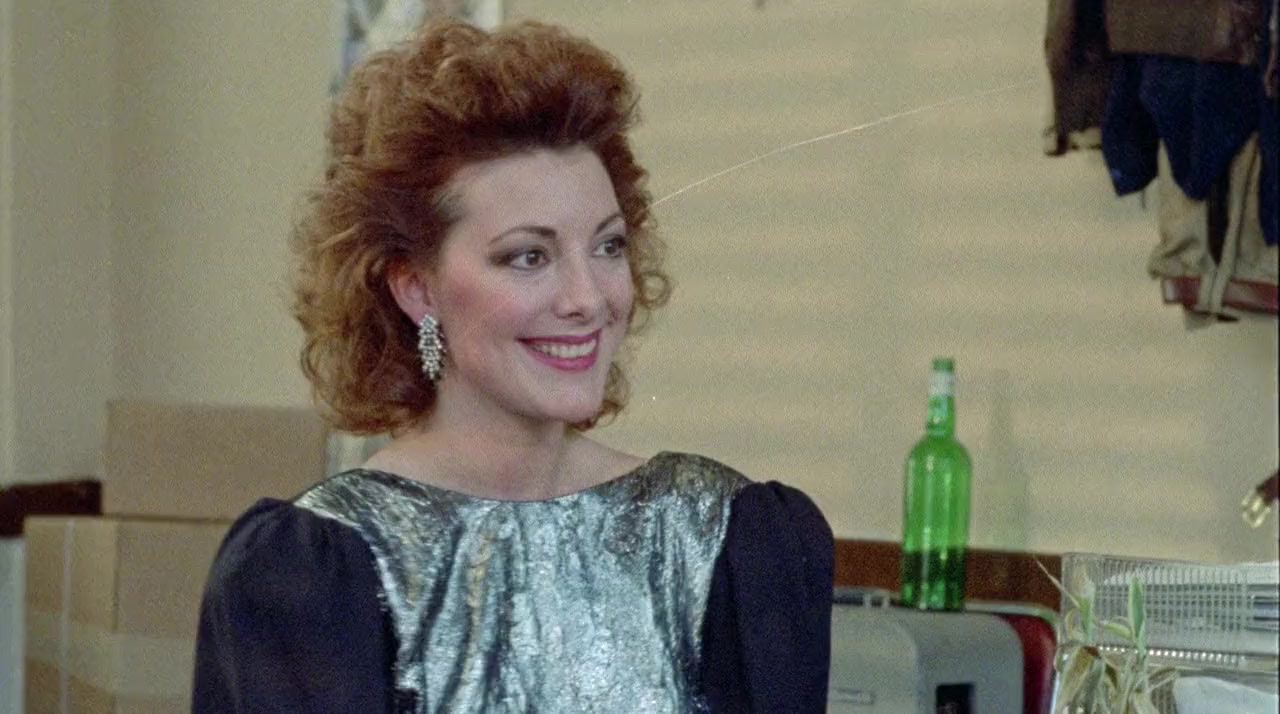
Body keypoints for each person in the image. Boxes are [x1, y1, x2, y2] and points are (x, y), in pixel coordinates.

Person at [192, 17, 833, 713]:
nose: (587, 298)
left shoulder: (723, 537)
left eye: (608, 246)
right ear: (417, 287)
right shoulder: (313, 571)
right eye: (529, 256)